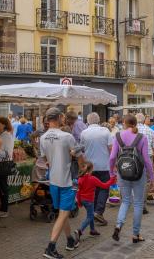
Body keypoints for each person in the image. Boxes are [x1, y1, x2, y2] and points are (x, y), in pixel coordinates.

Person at [41, 108, 84, 259]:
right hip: (67, 181)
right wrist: (84, 167)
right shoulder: (67, 136)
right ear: (59, 117)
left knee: (62, 213)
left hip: (53, 180)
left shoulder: (43, 137)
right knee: (63, 214)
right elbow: (80, 159)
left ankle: (70, 240)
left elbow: (45, 159)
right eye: (63, 117)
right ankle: (50, 247)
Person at [110, 115, 154, 244]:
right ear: (136, 124)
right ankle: (136, 234)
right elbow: (147, 160)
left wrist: (111, 172)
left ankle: (118, 226)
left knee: (125, 201)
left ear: (124, 123)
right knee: (138, 203)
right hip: (139, 174)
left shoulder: (118, 136)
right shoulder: (142, 137)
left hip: (122, 173)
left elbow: (112, 157)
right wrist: (152, 178)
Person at [79, 112, 112, 226]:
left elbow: (82, 149)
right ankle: (98, 212)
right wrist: (114, 164)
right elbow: (111, 149)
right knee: (104, 188)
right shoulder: (105, 131)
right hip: (104, 165)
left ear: (88, 122)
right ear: (99, 121)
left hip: (90, 167)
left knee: (94, 190)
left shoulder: (84, 133)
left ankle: (94, 213)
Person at [76, 162, 116, 238]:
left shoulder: (80, 179)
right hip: (89, 201)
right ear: (91, 170)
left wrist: (79, 202)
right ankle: (79, 230)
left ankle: (92, 230)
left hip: (83, 200)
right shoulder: (93, 179)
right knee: (90, 217)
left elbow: (78, 192)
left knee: (90, 214)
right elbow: (105, 186)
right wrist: (112, 179)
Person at [0, 117, 14, 218]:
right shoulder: (1, 135)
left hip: (4, 164)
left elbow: (7, 153)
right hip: (0, 163)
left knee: (3, 187)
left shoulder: (6, 136)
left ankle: (5, 209)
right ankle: (2, 207)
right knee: (1, 186)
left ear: (4, 125)